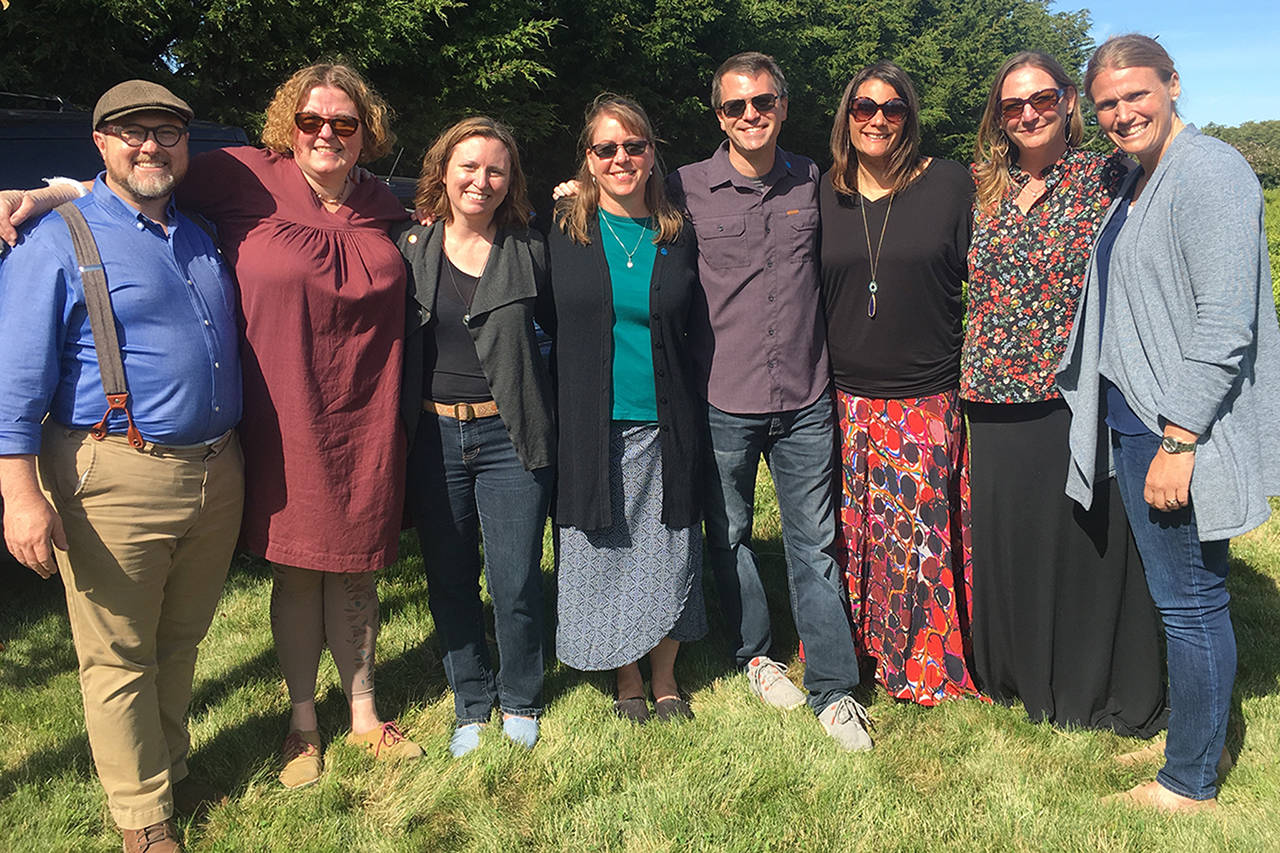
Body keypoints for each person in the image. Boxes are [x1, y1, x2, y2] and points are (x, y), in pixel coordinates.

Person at [0, 63, 426, 786]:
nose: (327, 133)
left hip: (364, 419)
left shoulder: (382, 200)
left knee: (356, 572)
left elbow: (464, 200)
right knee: (295, 574)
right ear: (288, 125)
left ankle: (362, 712)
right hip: (280, 421)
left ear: (366, 134)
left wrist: (566, 192)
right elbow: (133, 179)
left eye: (345, 123)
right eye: (312, 120)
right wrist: (47, 194)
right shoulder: (243, 177)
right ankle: (300, 725)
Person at [0, 81, 243, 853]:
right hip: (114, 473)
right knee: (117, 653)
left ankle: (166, 767)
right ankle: (143, 819)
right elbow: (14, 383)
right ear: (100, 144)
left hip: (216, 470)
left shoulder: (200, 233)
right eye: (131, 133)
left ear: (185, 146)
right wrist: (19, 495)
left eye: (167, 133)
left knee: (181, 639)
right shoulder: (57, 240)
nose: (151, 146)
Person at [1061, 34, 1280, 812]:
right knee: (1181, 597)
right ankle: (1201, 733)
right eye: (1108, 103)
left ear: (1173, 84)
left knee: (1191, 604)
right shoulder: (1140, 177)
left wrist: (1179, 440)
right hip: (1138, 420)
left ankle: (1189, 780)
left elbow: (1225, 322)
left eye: (1136, 94)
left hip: (1175, 428)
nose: (1122, 113)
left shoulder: (1209, 170)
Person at [670, 51, 873, 748]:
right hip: (723, 398)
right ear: (718, 114)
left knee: (813, 543)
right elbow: (620, 209)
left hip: (806, 395)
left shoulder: (815, 180)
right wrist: (572, 193)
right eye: (736, 106)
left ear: (783, 106)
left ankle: (835, 688)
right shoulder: (686, 187)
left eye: (763, 102)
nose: (751, 115)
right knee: (727, 537)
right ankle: (755, 652)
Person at [962, 52, 1167, 735]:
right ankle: (1014, 674)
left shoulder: (1107, 173)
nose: (1028, 113)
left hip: (1072, 394)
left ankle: (1084, 685)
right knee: (1012, 542)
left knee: (1082, 543)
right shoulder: (982, 185)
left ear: (1069, 101)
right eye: (1013, 104)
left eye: (1041, 99)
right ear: (998, 115)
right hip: (989, 399)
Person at [819, 60, 980, 705]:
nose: (878, 119)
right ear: (846, 118)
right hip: (844, 398)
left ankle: (923, 660)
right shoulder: (822, 189)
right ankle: (852, 646)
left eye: (892, 109)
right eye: (863, 108)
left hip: (926, 397)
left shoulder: (948, 184)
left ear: (909, 118)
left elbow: (1007, 255)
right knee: (853, 537)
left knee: (919, 538)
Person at [395, 117, 555, 757]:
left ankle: (519, 694)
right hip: (434, 436)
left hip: (510, 436)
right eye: (469, 166)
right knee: (451, 575)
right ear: (444, 170)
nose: (481, 181)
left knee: (514, 579)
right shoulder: (410, 247)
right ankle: (471, 700)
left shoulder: (532, 247)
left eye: (495, 169)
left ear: (510, 180)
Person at [549, 93, 707, 724]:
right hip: (594, 425)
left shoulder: (678, 232)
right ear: (587, 159)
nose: (621, 158)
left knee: (670, 547)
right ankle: (626, 674)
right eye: (606, 148)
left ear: (651, 154)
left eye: (633, 146)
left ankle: (665, 674)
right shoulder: (563, 229)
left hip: (668, 420)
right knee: (608, 549)